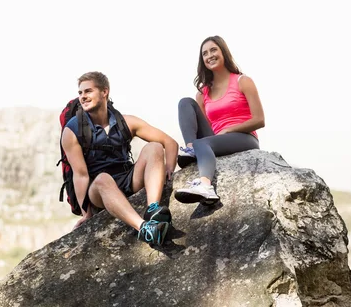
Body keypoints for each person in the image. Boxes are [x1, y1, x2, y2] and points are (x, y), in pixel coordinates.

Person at [61, 71, 179, 246]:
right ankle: (145, 229)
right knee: (103, 179)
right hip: (98, 190)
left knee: (153, 147)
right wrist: (87, 213)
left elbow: (169, 142)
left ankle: (153, 209)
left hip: (127, 179)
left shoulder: (126, 122)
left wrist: (169, 168)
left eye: (88, 91)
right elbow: (80, 175)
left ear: (104, 92)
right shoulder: (72, 131)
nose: (83, 97)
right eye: (80, 93)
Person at [175, 35, 265, 205]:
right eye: (205, 53)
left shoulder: (242, 81)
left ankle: (206, 187)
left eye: (214, 50)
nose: (210, 55)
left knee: (202, 144)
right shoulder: (203, 93)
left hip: (244, 138)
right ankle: (191, 149)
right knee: (185, 103)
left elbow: (260, 120)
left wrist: (229, 130)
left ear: (223, 51)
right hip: (216, 140)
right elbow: (206, 127)